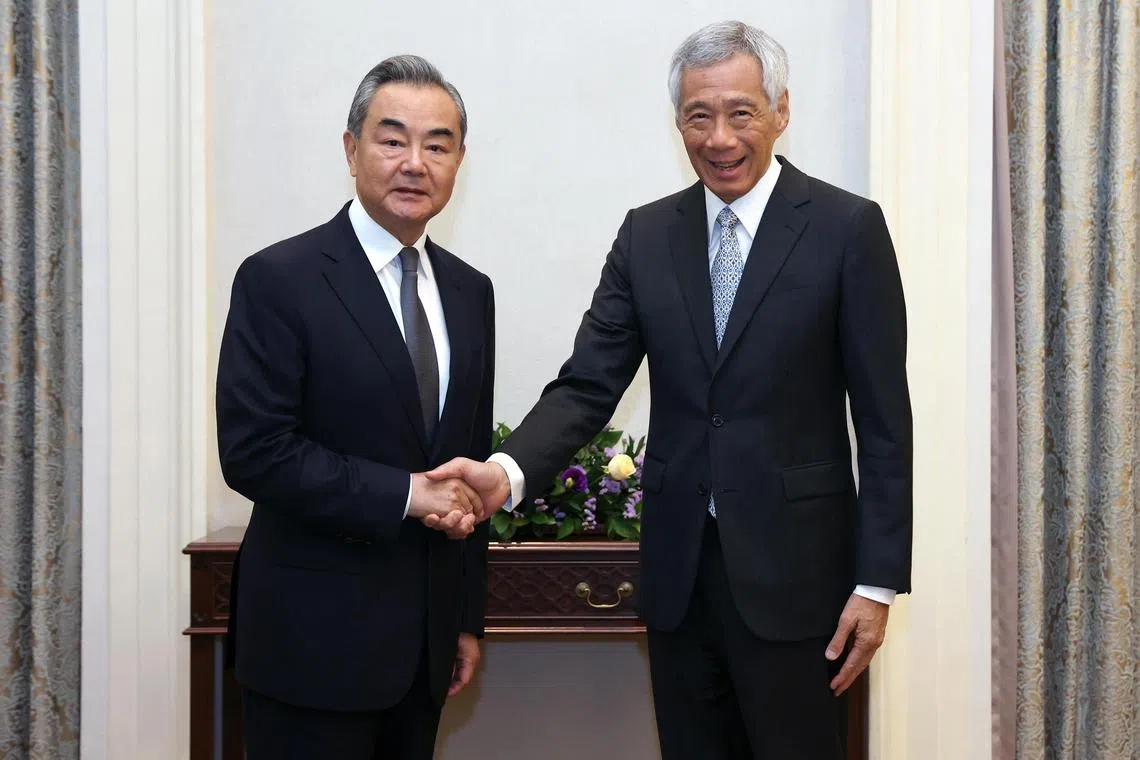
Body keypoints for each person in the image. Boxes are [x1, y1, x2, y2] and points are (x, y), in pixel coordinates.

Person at [429, 21, 913, 760]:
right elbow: (588, 385)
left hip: (801, 582)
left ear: (782, 111)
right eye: (698, 116)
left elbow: (883, 424)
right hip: (680, 580)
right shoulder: (647, 235)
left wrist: (876, 585)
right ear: (678, 121)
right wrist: (504, 474)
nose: (719, 137)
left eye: (740, 112)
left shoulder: (847, 230)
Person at [215, 54, 495, 760]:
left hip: (423, 653)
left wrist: (464, 620)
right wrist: (406, 495)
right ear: (351, 148)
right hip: (311, 648)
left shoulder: (470, 292)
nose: (414, 162)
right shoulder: (280, 279)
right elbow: (255, 451)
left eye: (438, 145)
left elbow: (466, 460)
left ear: (460, 161)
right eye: (392, 138)